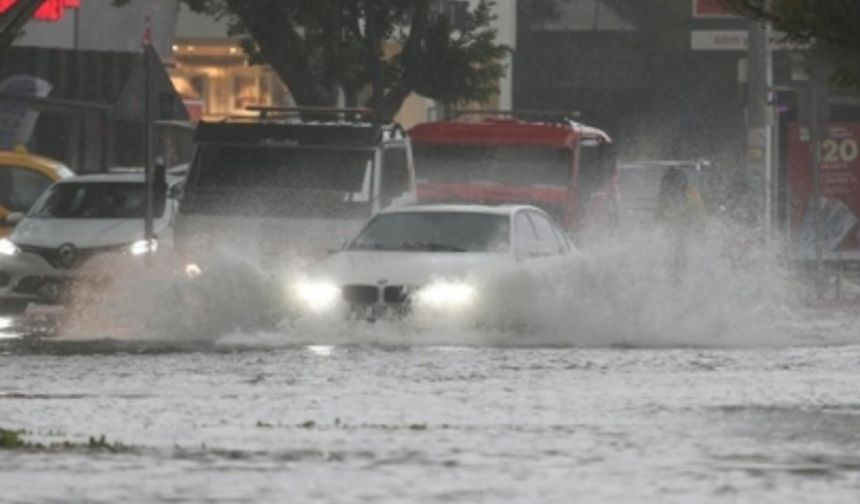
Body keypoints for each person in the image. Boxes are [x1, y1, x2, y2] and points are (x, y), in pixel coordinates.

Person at [655, 167, 706, 277]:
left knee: (680, 255)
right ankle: (676, 274)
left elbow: (699, 219)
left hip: (685, 231)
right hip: (677, 231)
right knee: (676, 256)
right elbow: (660, 216)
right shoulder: (666, 195)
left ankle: (678, 274)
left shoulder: (691, 195)